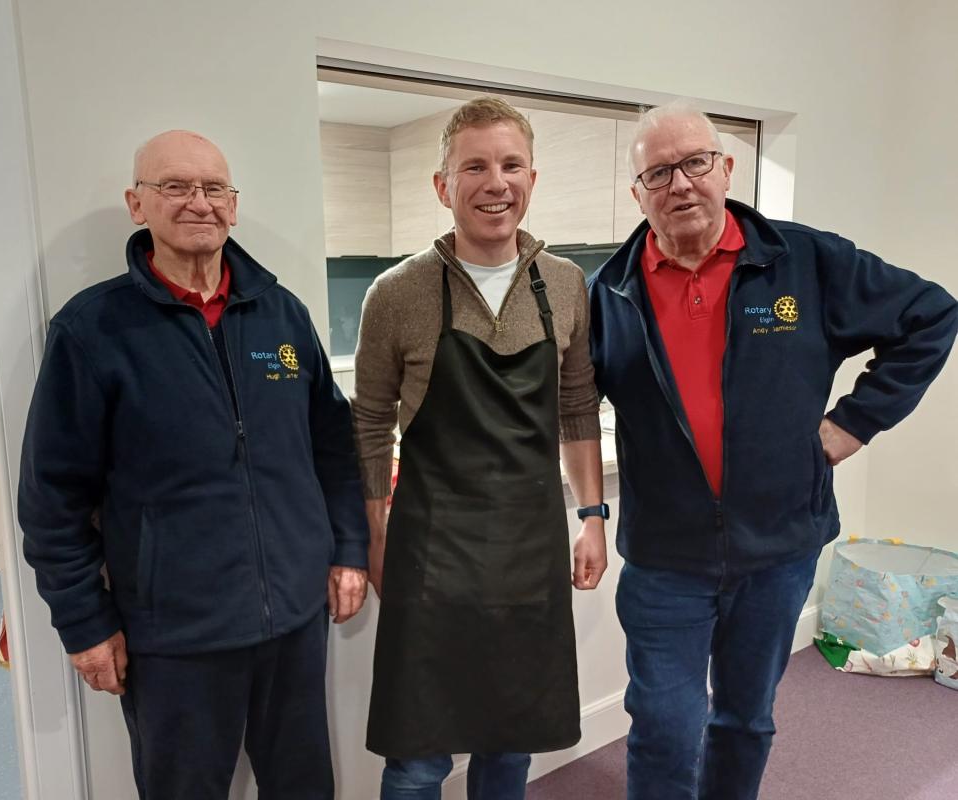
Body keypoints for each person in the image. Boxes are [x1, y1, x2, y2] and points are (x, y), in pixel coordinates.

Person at [587, 101, 958, 800]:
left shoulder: (805, 261)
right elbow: (569, 406)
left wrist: (853, 423)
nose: (680, 184)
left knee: (743, 720)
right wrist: (584, 512)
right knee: (663, 721)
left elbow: (931, 314)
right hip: (665, 560)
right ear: (637, 193)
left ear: (726, 168)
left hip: (779, 548)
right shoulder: (606, 292)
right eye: (657, 172)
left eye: (695, 162)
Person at [17, 130, 369, 800]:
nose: (197, 202)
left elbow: (333, 444)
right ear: (137, 203)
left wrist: (348, 545)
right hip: (173, 633)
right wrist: (85, 622)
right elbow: (51, 498)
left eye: (212, 188)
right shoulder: (93, 331)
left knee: (304, 789)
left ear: (233, 206)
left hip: (293, 618)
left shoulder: (280, 314)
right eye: (174, 186)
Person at [352, 97, 608, 800]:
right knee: (416, 758)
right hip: (430, 551)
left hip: (529, 549)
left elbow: (575, 403)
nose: (495, 182)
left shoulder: (564, 284)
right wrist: (372, 533)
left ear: (531, 177)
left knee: (509, 740)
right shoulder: (396, 293)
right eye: (474, 166)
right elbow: (370, 422)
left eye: (509, 164)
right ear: (443, 186)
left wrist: (591, 514)